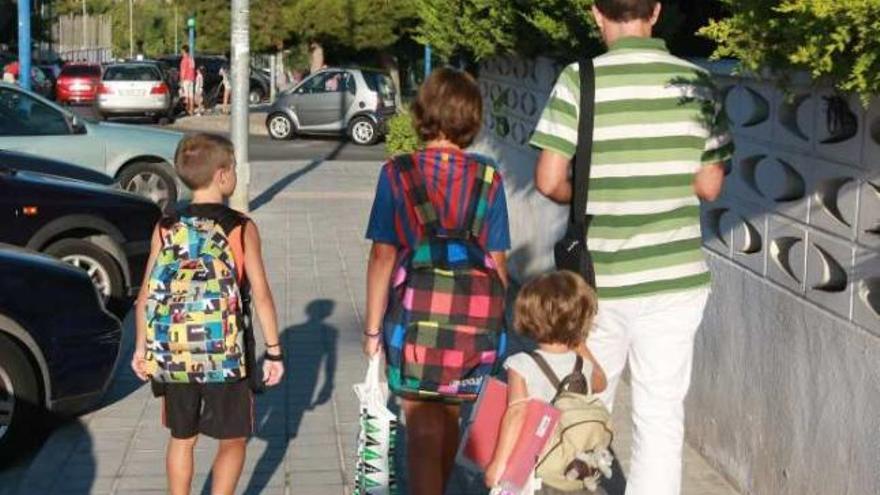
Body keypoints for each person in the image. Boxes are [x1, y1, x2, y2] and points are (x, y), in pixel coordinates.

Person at [530, 1, 733, 494]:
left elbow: (549, 179)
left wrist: (590, 195)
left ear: (597, 12)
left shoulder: (580, 81)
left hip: (597, 283)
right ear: (657, 12)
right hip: (674, 280)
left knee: (585, 404)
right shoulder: (697, 83)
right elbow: (709, 187)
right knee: (661, 415)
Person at [363, 68, 511, 495]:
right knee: (447, 420)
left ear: (422, 112)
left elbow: (382, 255)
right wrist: (497, 329)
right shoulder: (489, 178)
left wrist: (373, 329)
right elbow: (498, 261)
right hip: (473, 322)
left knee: (423, 433)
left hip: (416, 320)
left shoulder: (397, 174)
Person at [131, 133, 285, 495]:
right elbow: (261, 293)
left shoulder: (166, 226)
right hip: (226, 354)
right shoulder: (240, 227)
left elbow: (147, 294)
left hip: (174, 352)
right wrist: (274, 350)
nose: (235, 175)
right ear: (221, 175)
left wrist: (142, 348)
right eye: (232, 168)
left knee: (182, 439)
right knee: (233, 440)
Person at [486, 271, 607, 494]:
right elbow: (601, 383)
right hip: (567, 464)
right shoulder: (584, 366)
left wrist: (498, 464)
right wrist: (578, 341)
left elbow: (517, 413)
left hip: (531, 470)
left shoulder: (521, 364)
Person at [179, 45, 196, 116]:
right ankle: (192, 110)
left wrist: (181, 80)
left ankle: (187, 110)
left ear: (184, 51)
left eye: (182, 51)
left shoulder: (184, 60)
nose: (181, 52)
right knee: (191, 95)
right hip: (191, 79)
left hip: (186, 79)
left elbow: (183, 71)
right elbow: (193, 68)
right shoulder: (191, 59)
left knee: (186, 95)